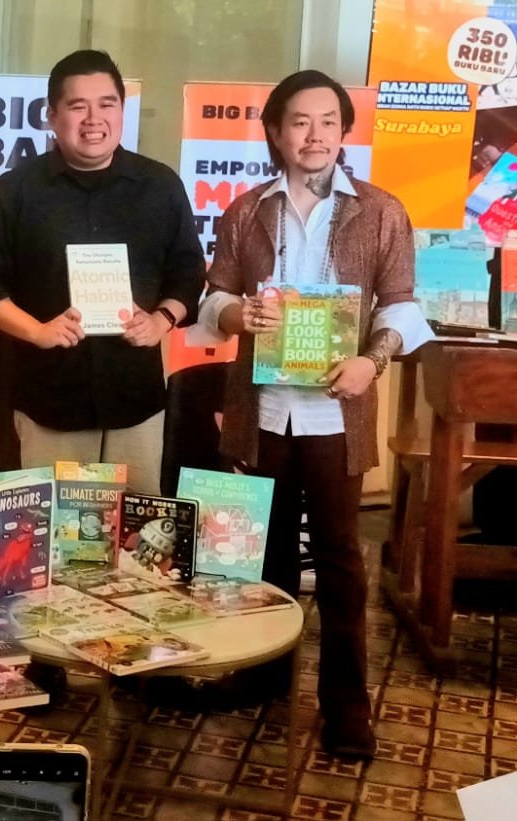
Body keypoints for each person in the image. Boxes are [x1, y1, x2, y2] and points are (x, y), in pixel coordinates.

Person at [198, 69, 432, 760]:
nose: (315, 135)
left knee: (339, 562)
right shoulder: (246, 211)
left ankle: (347, 705)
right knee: (264, 554)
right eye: (300, 122)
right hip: (263, 411)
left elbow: (402, 306)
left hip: (335, 414)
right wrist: (238, 314)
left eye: (328, 121)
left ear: (344, 131)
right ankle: (264, 675)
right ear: (275, 131)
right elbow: (213, 299)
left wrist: (372, 360)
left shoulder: (381, 211)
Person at [0, 49, 205, 494]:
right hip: (49, 400)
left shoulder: (161, 186)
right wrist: (36, 331)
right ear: (52, 116)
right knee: (55, 530)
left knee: (138, 528)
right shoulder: (16, 191)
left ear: (122, 111)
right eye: (77, 106)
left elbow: (188, 271)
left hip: (136, 401)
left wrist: (161, 320)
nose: (94, 119)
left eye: (107, 104)